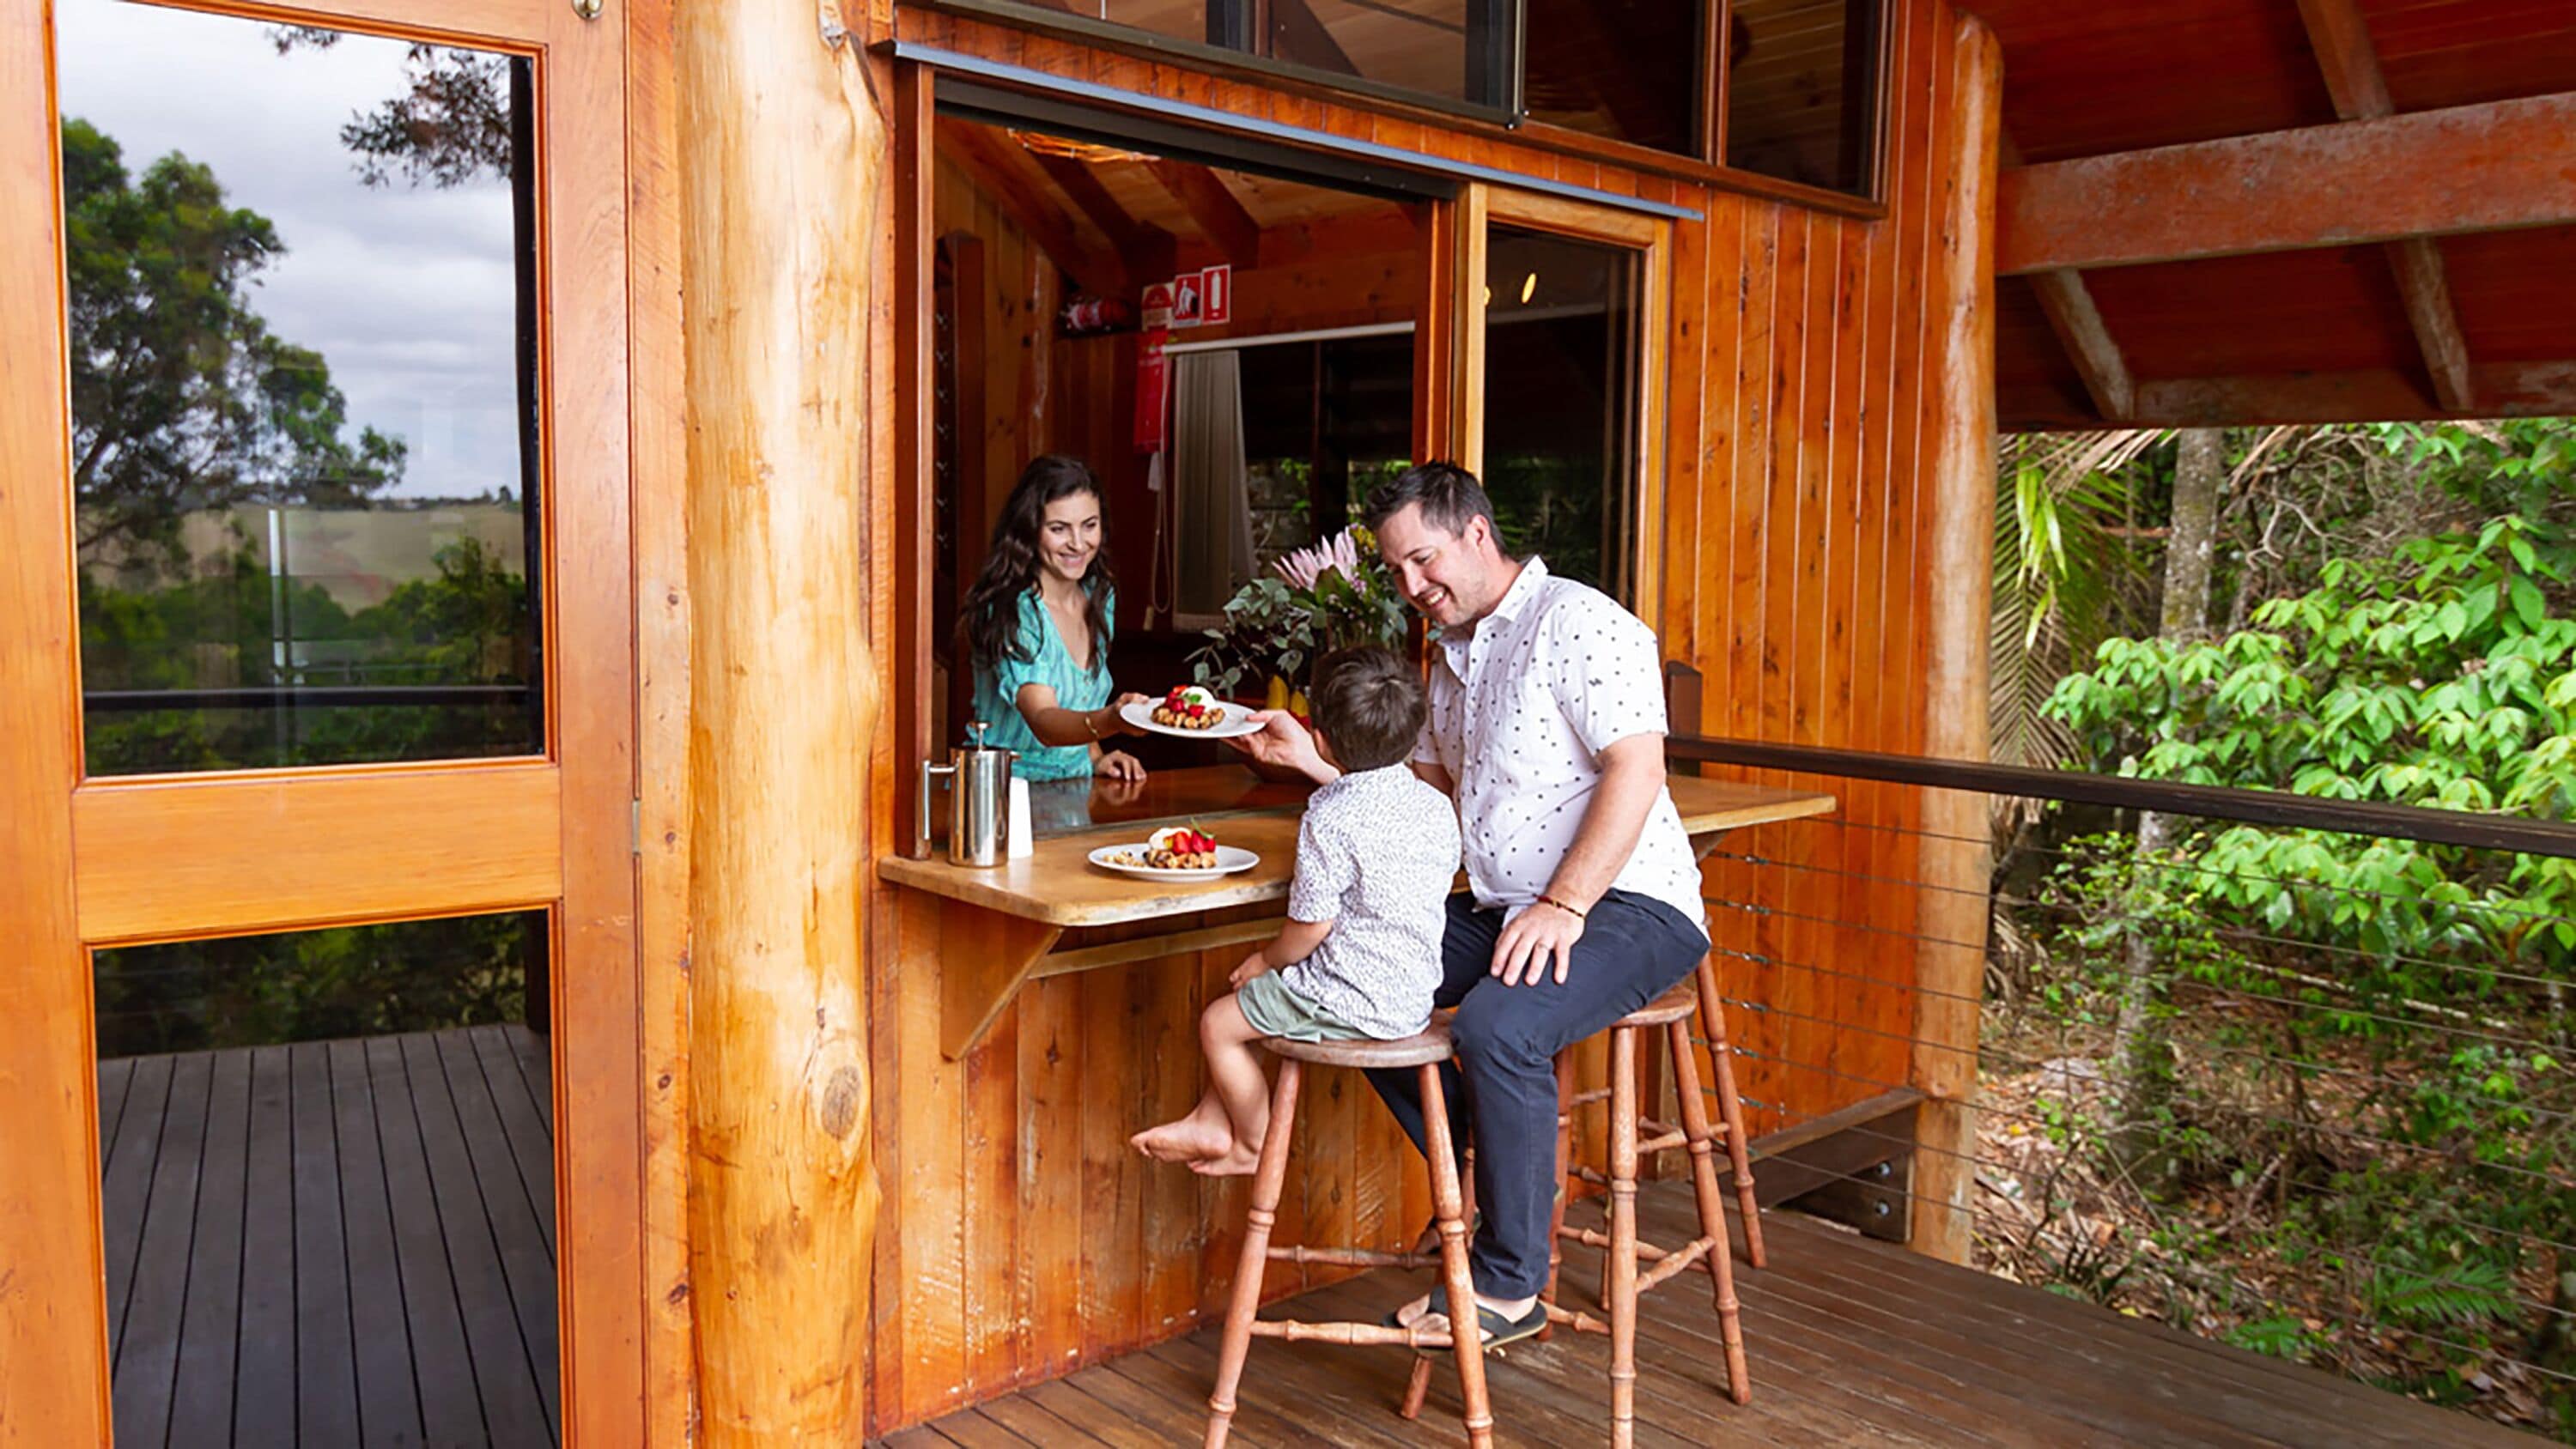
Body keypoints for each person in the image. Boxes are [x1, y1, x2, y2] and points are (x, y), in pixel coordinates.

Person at [1230, 462, 1710, 1351]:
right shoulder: (1451, 657)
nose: (1412, 587)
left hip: (1631, 902)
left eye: (1423, 560)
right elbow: (1429, 793)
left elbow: (1638, 768)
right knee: (1352, 980)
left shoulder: (1579, 621)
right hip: (1510, 904)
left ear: (1477, 533)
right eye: (1398, 571)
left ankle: (1508, 1283)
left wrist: (1567, 901)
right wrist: (1313, 763)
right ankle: (1484, 1179)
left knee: (1498, 1026)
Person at [1129, 646, 1461, 1177]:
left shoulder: (1329, 819)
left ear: (1321, 739)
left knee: (1220, 1023)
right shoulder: (1434, 805)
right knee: (1254, 1004)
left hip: (1349, 999)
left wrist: (1265, 959)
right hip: (1412, 996)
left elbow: (1310, 928)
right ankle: (1212, 1121)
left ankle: (1251, 1146)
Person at [958, 455, 1151, 781]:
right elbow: (1044, 720)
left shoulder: (1099, 597)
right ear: (1029, 530)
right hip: (1006, 795)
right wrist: (1112, 721)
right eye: (1059, 529)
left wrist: (1095, 757)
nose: (1078, 544)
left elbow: (1081, 699)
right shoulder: (1013, 609)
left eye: (1089, 525)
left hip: (1074, 791)